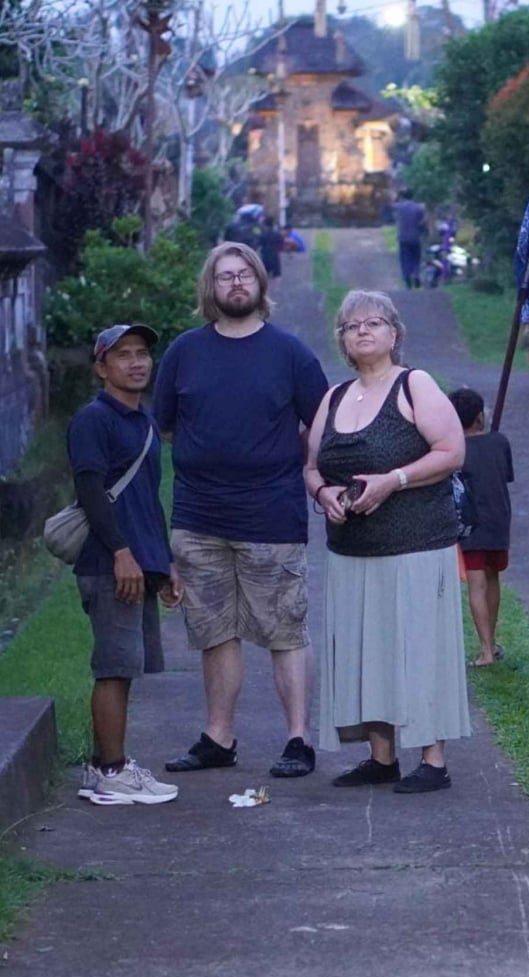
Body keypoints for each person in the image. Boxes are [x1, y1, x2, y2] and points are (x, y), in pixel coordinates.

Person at [155, 242, 329, 777]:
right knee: (214, 632)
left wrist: (293, 468)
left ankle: (298, 740)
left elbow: (321, 426)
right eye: (225, 276)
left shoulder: (290, 354)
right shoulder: (184, 352)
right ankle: (218, 737)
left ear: (260, 284)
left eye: (244, 275)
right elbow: (163, 426)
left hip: (270, 516)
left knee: (284, 630)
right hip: (198, 517)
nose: (235, 284)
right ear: (211, 288)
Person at [304, 289, 469, 794]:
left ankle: (433, 761)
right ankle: (381, 757)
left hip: (417, 544)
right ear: (343, 342)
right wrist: (325, 492)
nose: (362, 331)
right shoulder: (332, 397)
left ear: (394, 334)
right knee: (366, 650)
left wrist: (392, 480)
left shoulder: (414, 384)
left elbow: (452, 451)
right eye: (352, 326)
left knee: (420, 650)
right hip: (352, 550)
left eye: (373, 322)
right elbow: (310, 466)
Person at [69, 324, 183, 805]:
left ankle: (107, 764)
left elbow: (147, 498)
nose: (136, 363)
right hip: (109, 563)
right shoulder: (94, 420)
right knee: (113, 668)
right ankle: (111, 772)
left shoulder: (145, 421)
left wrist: (165, 561)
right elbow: (91, 493)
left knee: (126, 667)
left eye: (141, 354)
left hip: (141, 563)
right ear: (101, 367)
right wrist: (120, 552)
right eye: (122, 356)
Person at [448, 387, 514, 668]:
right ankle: (491, 640)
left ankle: (486, 648)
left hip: (470, 523)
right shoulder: (499, 442)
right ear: (479, 417)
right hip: (499, 520)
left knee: (477, 584)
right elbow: (506, 475)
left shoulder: (453, 450)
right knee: (493, 577)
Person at [392, 189, 427, 290]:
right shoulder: (418, 208)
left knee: (405, 258)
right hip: (415, 237)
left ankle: (407, 277)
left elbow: (392, 206)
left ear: (402, 196)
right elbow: (423, 222)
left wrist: (397, 197)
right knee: (416, 257)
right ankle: (416, 274)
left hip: (403, 237)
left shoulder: (399, 207)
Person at [259, 213, 283, 284]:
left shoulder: (263, 233)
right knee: (276, 272)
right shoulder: (276, 233)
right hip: (275, 253)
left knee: (265, 271)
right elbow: (281, 241)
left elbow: (260, 242)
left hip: (265, 253)